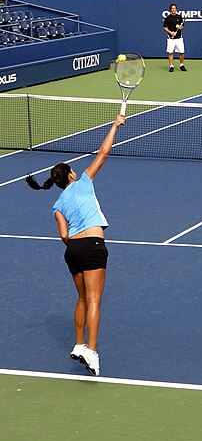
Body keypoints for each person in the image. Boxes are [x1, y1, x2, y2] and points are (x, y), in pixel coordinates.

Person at [26, 114, 126, 377]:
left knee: (81, 298)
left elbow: (63, 236)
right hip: (93, 246)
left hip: (72, 251)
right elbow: (103, 153)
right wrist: (115, 126)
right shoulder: (83, 181)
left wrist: (78, 243)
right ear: (71, 174)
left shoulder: (57, 205)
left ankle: (79, 343)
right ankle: (91, 351)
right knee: (95, 299)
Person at [163, 3, 186, 73]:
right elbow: (164, 27)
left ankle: (182, 65)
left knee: (181, 52)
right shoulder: (167, 18)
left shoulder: (179, 17)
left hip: (179, 38)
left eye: (175, 8)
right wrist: (171, 33)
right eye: (172, 8)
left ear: (176, 9)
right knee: (170, 52)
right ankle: (171, 66)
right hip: (171, 39)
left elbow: (182, 26)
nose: (174, 10)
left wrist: (180, 27)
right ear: (170, 10)